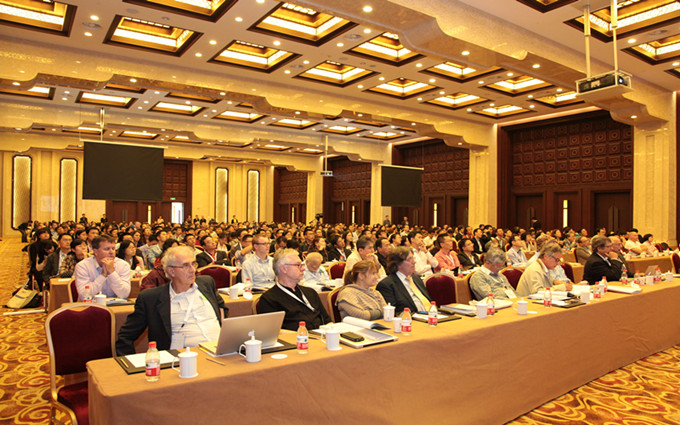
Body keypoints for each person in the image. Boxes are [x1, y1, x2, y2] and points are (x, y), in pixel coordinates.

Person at [115, 246, 227, 355]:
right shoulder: (151, 298)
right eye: (186, 266)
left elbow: (222, 309)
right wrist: (131, 363)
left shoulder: (206, 283)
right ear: (171, 271)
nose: (193, 270)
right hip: (184, 358)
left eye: (193, 264)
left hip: (222, 351)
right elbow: (125, 336)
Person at [258, 249, 331, 331]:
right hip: (296, 338)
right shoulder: (269, 299)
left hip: (321, 335)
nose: (303, 268)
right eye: (298, 265)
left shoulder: (311, 293)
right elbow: (272, 331)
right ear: (284, 269)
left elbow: (327, 321)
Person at [376, 246, 433, 315]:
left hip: (431, 315)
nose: (414, 262)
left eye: (413, 258)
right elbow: (393, 313)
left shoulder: (416, 279)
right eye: (409, 259)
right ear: (397, 263)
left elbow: (429, 301)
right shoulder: (387, 285)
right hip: (411, 319)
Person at [74, 235, 131, 300]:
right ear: (95, 252)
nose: (111, 252)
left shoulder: (123, 265)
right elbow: (84, 295)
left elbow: (124, 294)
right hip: (91, 304)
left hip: (116, 304)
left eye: (113, 249)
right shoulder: (83, 266)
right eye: (106, 249)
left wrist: (112, 273)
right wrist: (103, 275)